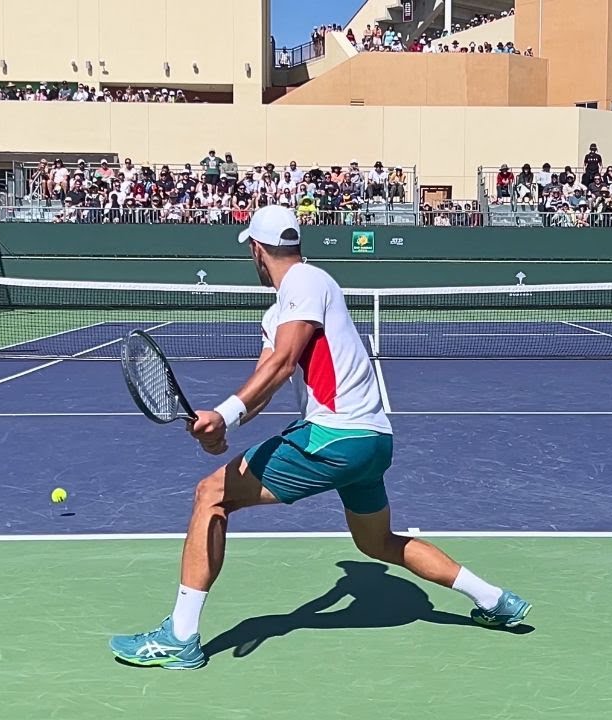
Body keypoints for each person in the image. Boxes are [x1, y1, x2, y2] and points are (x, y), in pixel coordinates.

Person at [109, 206, 531, 670]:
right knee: (376, 544)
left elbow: (283, 363)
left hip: (335, 435)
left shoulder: (305, 281)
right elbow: (266, 381)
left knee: (210, 494)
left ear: (256, 249)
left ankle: (180, 637)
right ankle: (495, 600)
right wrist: (221, 430)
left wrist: (225, 415)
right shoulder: (280, 313)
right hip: (372, 442)